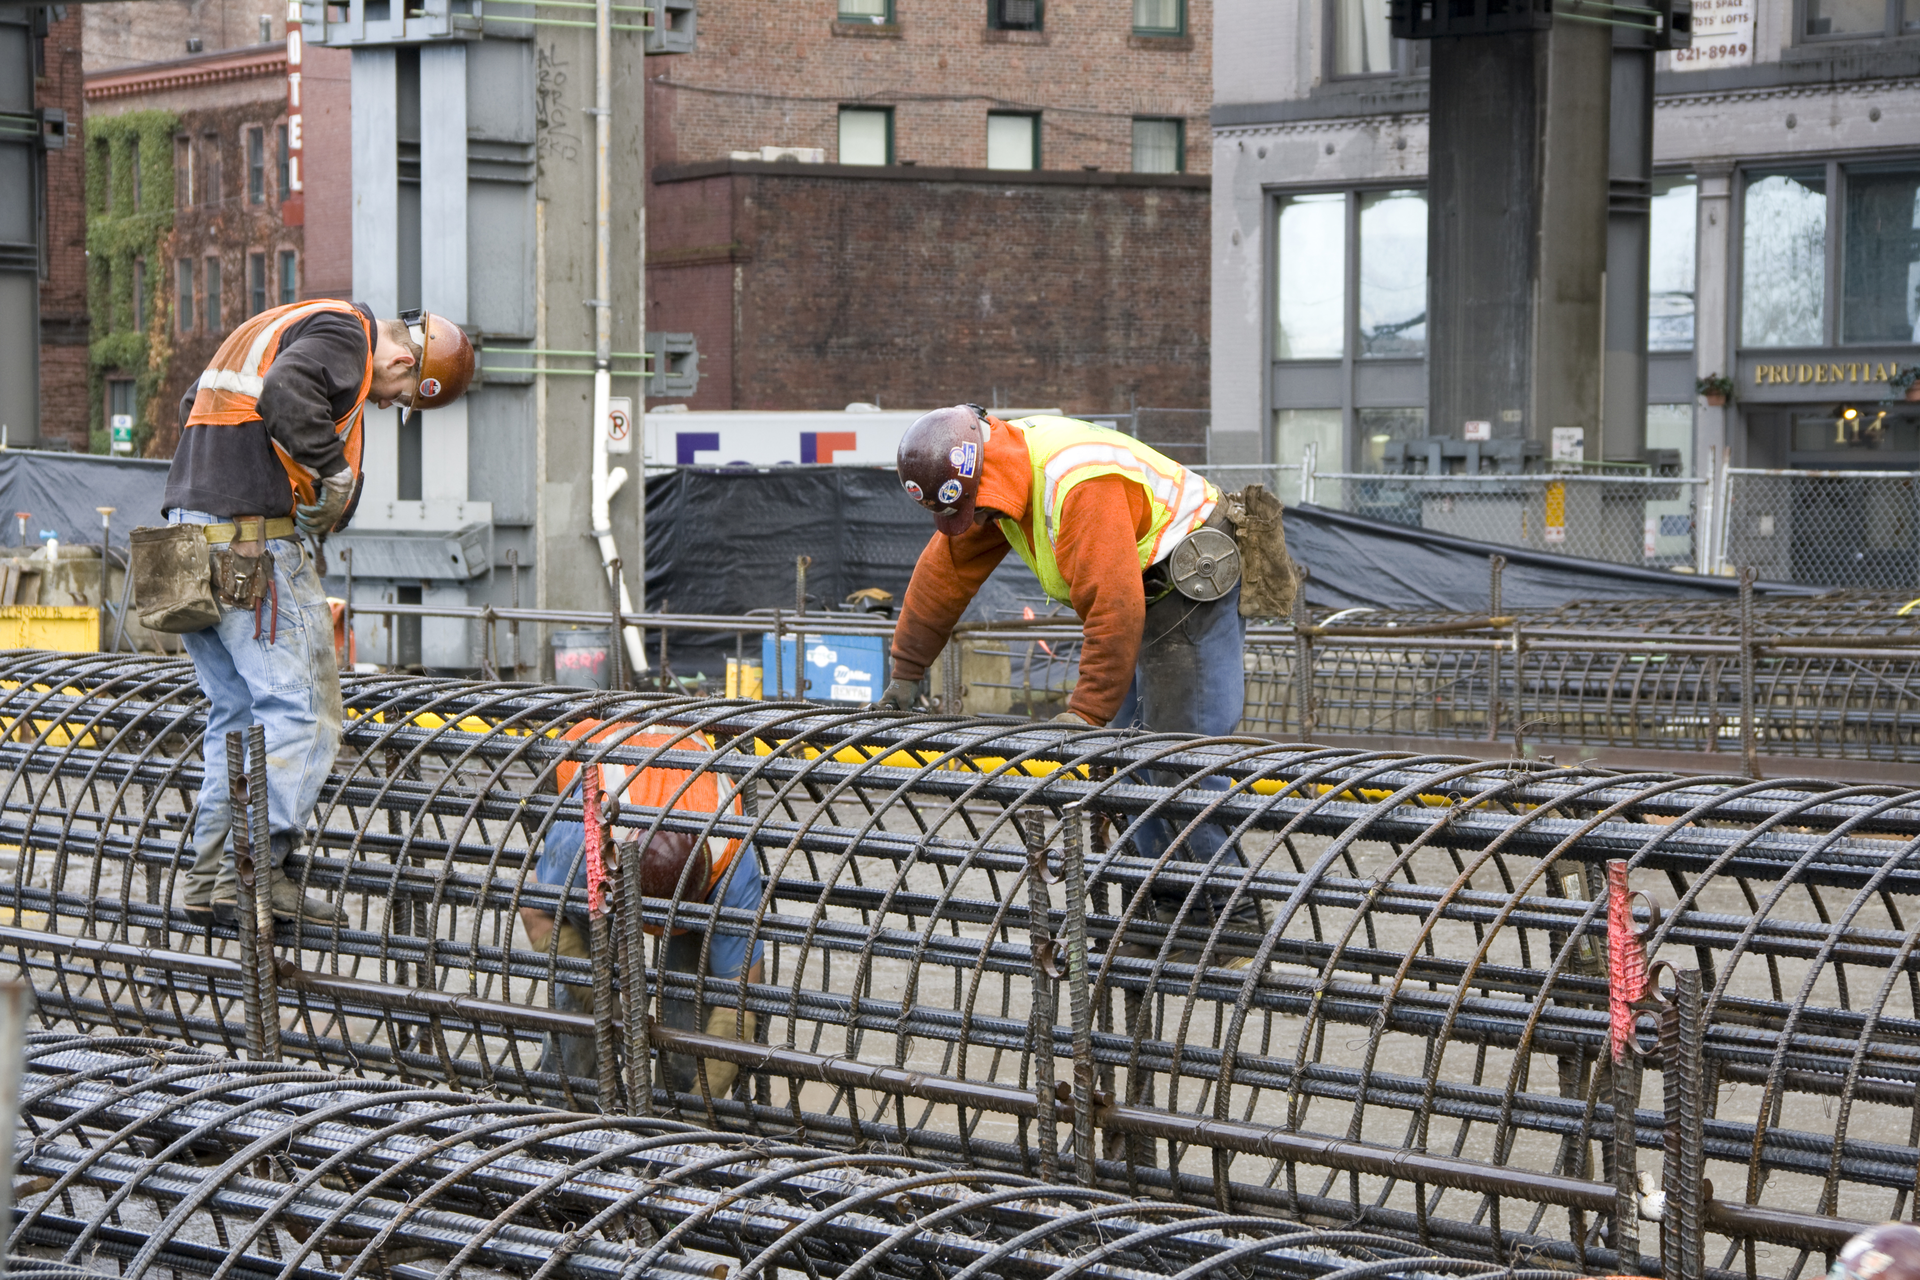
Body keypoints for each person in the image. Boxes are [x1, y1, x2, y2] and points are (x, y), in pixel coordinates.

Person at [877, 405, 1264, 960]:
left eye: (973, 509)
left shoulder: (1077, 484)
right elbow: (944, 576)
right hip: (1142, 589)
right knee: (1127, 754)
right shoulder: (994, 481)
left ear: (980, 477)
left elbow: (1114, 604)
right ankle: (1165, 913)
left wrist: (1085, 712)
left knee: (1179, 754)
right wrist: (906, 673)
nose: (975, 522)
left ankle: (1232, 917)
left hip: (1189, 578)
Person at [173, 302, 473, 928]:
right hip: (250, 545)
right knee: (303, 709)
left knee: (236, 711)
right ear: (399, 360)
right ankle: (256, 869)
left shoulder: (274, 325)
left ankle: (209, 877)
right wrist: (332, 474)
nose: (387, 405)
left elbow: (192, 407)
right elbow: (286, 392)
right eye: (397, 396)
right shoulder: (345, 333)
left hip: (188, 540)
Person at [521, 720, 765, 1096]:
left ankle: (679, 1110)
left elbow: (739, 1001)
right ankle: (568, 1101)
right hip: (601, 768)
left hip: (687, 854)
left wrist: (701, 1108)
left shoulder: (731, 863)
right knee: (581, 994)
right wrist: (613, 1010)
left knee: (692, 989)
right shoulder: (583, 843)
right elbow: (534, 908)